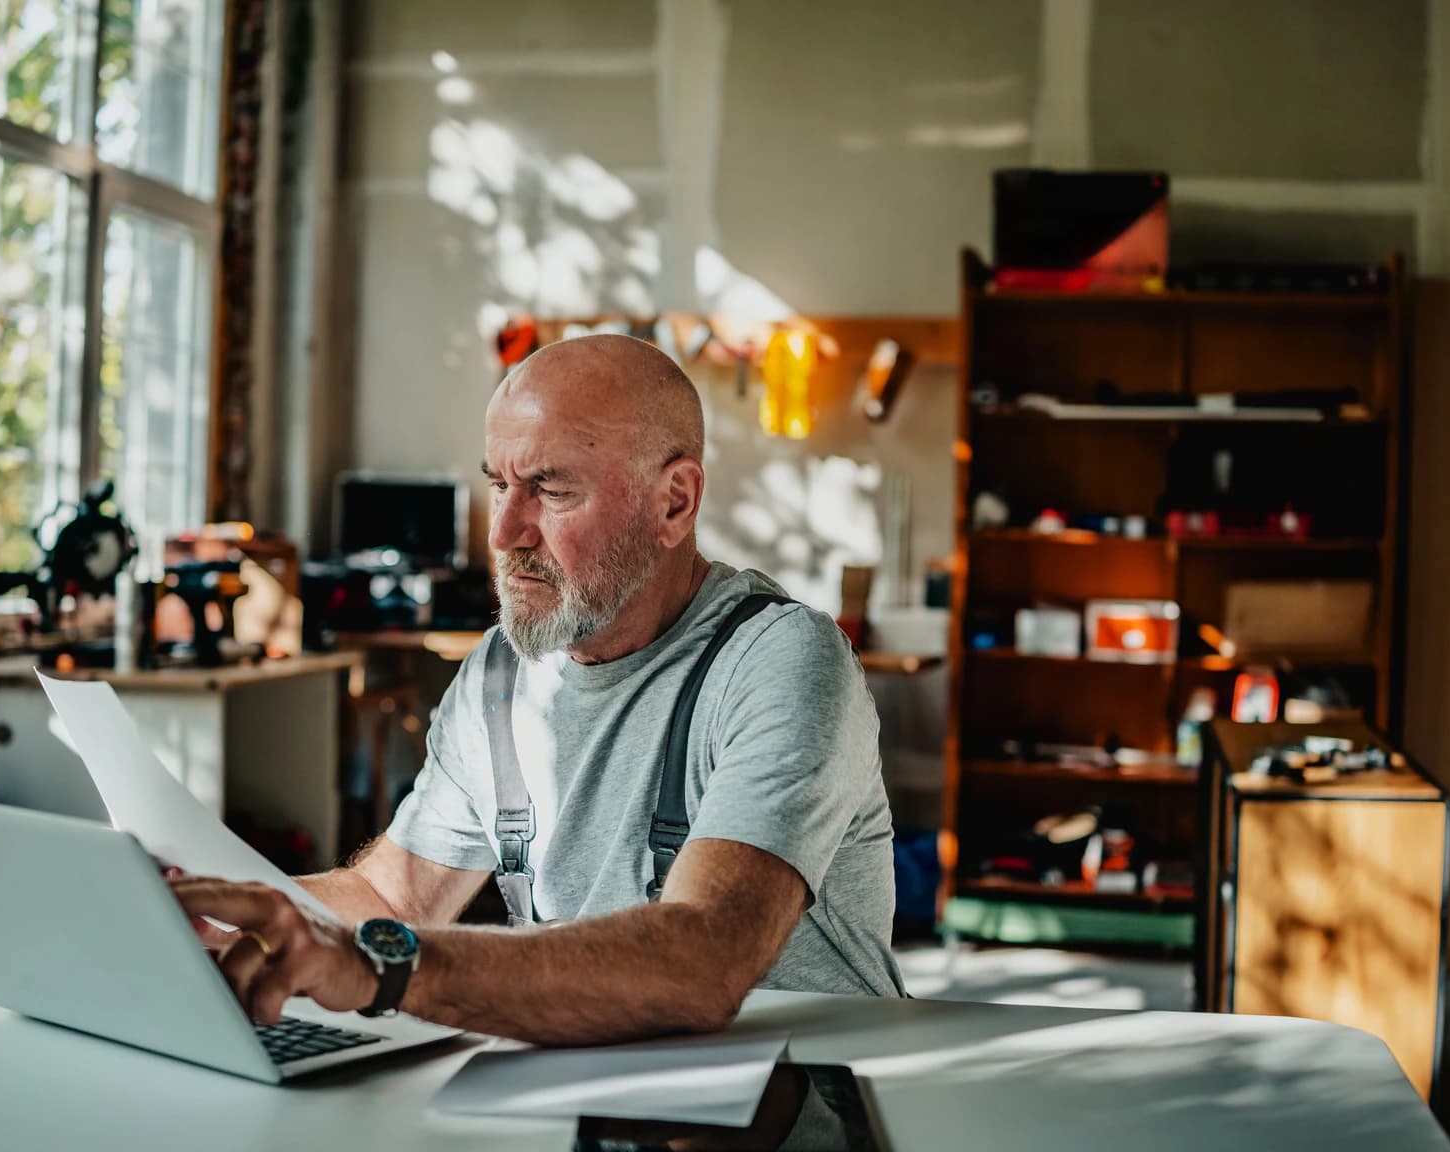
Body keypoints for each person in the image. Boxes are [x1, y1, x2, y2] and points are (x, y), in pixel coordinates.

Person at [171, 334, 904, 1047]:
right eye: (498, 485)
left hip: (802, 1113)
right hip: (598, 1085)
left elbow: (705, 957)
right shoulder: (500, 676)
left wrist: (383, 968)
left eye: (550, 490)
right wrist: (216, 909)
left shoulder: (778, 659)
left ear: (674, 502)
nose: (505, 533)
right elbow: (393, 899)